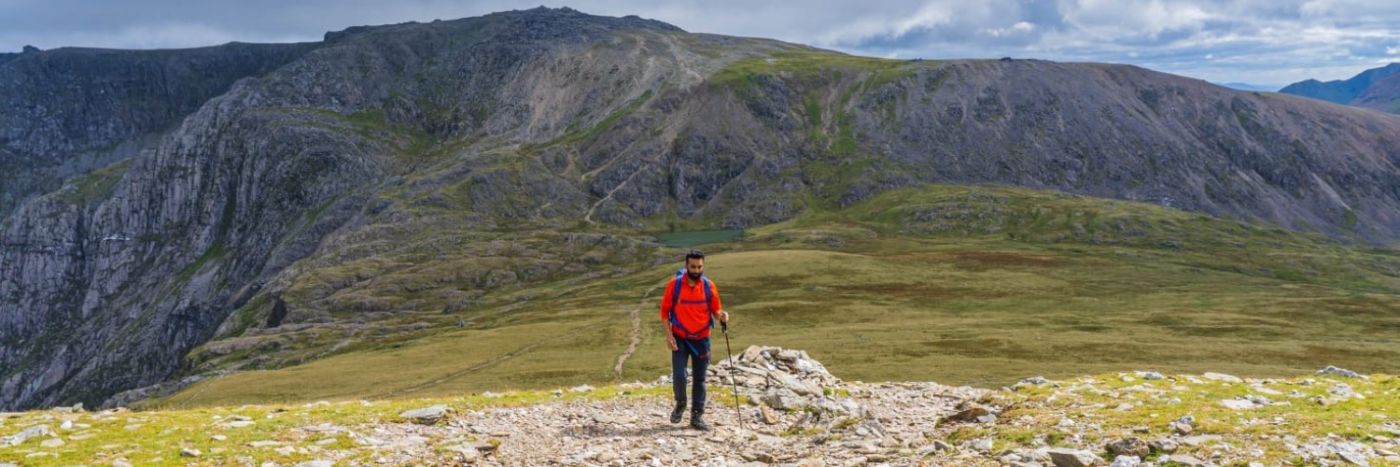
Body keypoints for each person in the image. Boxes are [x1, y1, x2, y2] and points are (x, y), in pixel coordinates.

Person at [660, 249, 729, 430]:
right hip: (680, 338)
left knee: (700, 380)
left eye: (699, 267)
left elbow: (715, 310)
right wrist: (669, 336)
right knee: (679, 375)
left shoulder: (708, 286)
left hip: (702, 338)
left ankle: (697, 417)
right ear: (686, 266)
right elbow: (664, 313)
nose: (696, 270)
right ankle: (680, 403)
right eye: (693, 266)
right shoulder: (674, 286)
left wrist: (721, 315)